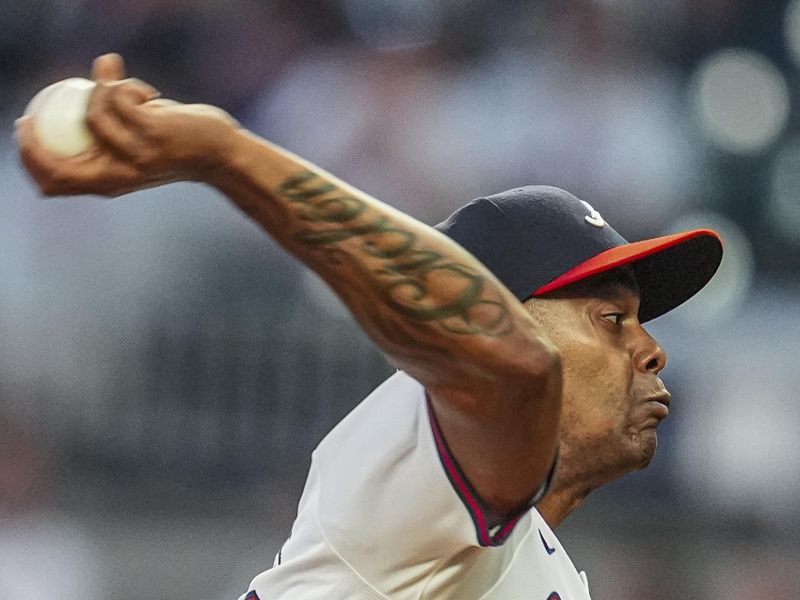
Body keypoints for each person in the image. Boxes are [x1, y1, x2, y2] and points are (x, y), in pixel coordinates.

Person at [17, 54, 723, 600]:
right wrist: (225, 155)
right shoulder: (426, 440)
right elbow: (507, 365)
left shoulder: (540, 559)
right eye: (611, 321)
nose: (651, 350)